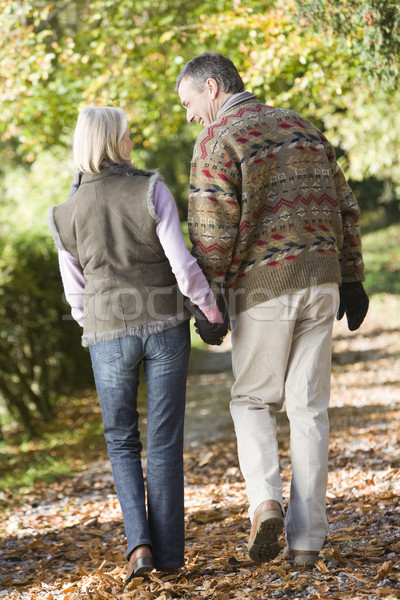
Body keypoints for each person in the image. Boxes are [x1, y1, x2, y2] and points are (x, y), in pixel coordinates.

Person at [175, 52, 369, 567]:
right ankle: (306, 542)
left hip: (263, 289)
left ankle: (264, 502)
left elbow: (212, 232)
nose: (190, 115)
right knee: (309, 410)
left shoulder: (217, 141)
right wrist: (353, 279)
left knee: (252, 401)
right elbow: (345, 205)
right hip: (323, 281)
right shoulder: (301, 127)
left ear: (212, 88)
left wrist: (209, 303)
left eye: (189, 101)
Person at [47, 106, 226, 581]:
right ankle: (167, 557)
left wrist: (97, 327)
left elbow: (75, 293)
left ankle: (139, 547)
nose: (131, 141)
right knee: (164, 440)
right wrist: (209, 312)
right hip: (165, 324)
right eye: (126, 135)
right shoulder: (151, 190)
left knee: (121, 441)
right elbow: (183, 265)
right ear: (113, 141)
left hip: (106, 333)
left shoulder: (63, 214)